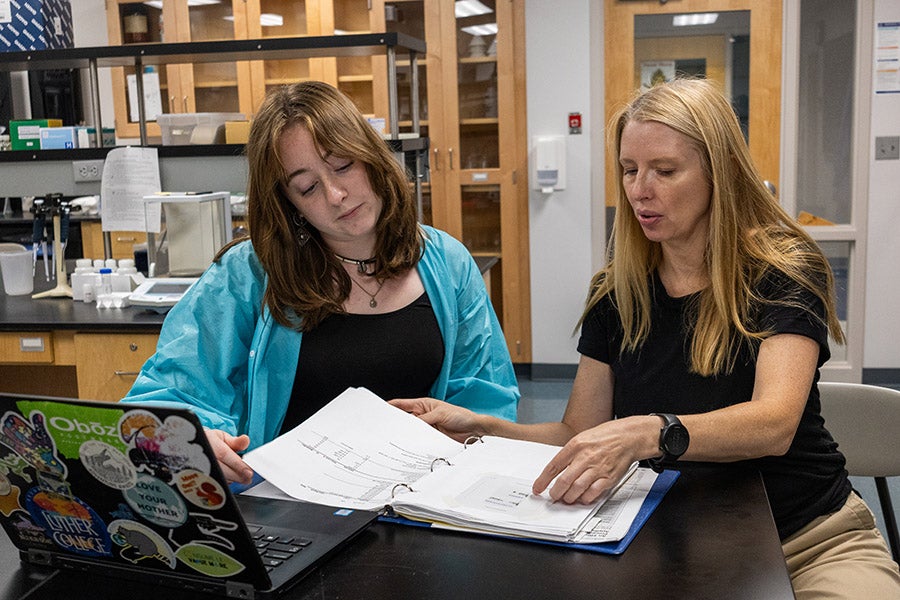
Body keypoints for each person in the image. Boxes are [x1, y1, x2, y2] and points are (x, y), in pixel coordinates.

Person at [391, 78, 900, 598]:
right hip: (673, 544)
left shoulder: (781, 271)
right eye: (630, 170)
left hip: (808, 539)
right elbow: (579, 432)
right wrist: (482, 425)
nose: (640, 189)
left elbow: (773, 424)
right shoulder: (618, 292)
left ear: (717, 173)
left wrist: (649, 432)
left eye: (665, 171)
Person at [123, 80, 519, 486]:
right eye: (307, 187)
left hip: (417, 506)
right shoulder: (249, 274)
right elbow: (168, 397)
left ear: (372, 156)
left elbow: (487, 402)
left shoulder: (447, 264)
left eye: (343, 164)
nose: (335, 194)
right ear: (288, 203)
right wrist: (193, 436)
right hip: (288, 513)